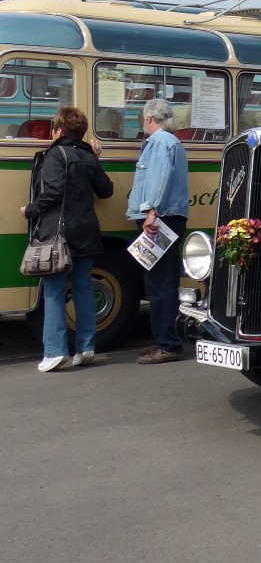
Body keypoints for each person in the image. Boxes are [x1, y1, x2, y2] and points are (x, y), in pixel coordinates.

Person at [20, 107, 113, 372]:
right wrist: (97, 160)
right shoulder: (88, 156)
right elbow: (106, 190)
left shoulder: (54, 154)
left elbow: (53, 192)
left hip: (58, 234)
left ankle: (55, 351)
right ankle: (86, 348)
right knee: (83, 289)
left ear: (58, 131)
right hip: (86, 231)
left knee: (54, 292)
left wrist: (30, 210)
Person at [126, 98, 190, 364]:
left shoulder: (161, 142)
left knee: (160, 285)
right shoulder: (168, 141)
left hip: (160, 218)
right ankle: (165, 340)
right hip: (165, 218)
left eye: (143, 119)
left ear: (149, 118)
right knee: (162, 282)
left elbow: (159, 177)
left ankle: (168, 345)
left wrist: (151, 210)